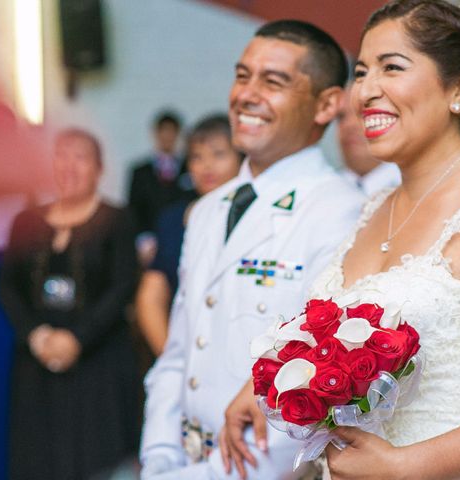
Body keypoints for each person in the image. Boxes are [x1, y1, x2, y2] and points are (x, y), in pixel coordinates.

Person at [222, 1, 460, 479]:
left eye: (392, 67)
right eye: (361, 72)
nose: (366, 90)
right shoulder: (374, 207)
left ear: (459, 88)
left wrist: (403, 466)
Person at [140, 20, 364, 480]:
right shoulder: (207, 208)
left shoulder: (341, 211)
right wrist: (159, 457)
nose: (246, 94)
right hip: (182, 458)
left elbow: (314, 391)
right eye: (242, 76)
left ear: (326, 104)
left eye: (273, 81)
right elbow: (180, 351)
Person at [0, 129, 140, 480]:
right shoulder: (25, 221)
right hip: (36, 361)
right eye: (61, 156)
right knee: (37, 459)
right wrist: (37, 336)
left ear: (99, 168)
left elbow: (123, 287)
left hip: (99, 363)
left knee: (96, 461)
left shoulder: (118, 220)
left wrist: (76, 339)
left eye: (80, 157)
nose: (69, 166)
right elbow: (7, 287)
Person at [136, 114, 242, 357]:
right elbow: (152, 293)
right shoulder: (173, 218)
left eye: (218, 154)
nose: (207, 166)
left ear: (240, 159)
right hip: (185, 338)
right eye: (196, 157)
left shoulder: (256, 217)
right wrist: (170, 358)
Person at [128, 110, 194, 266]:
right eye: (163, 131)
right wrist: (142, 239)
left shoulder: (190, 167)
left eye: (171, 132)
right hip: (149, 242)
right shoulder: (140, 171)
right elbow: (133, 208)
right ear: (155, 134)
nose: (167, 136)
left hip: (182, 239)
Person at [337, 83, 401, 197]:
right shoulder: (324, 192)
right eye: (341, 117)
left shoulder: (414, 190)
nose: (349, 125)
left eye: (363, 114)